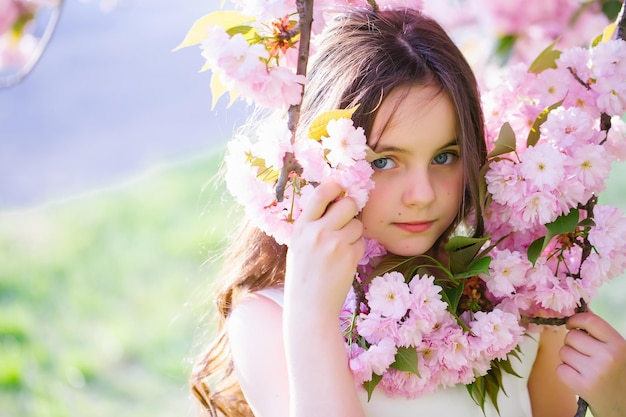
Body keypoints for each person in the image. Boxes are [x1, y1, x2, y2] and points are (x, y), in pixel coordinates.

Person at [189, 6, 622, 417]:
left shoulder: (517, 294)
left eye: (445, 156)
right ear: (323, 159)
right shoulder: (272, 318)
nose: (422, 195)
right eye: (383, 161)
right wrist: (313, 319)